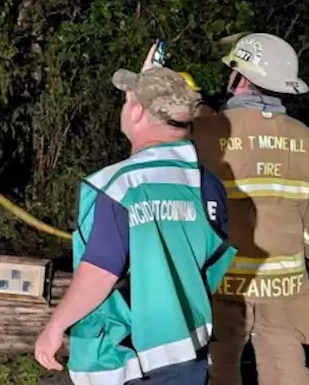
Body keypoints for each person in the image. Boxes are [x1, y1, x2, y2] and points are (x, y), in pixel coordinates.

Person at [35, 48, 234, 384]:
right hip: (188, 345)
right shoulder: (206, 184)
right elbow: (213, 258)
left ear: (139, 113)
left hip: (126, 351)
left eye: (128, 101)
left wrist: (55, 326)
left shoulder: (117, 185)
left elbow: (100, 271)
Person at [190, 33, 309, 385]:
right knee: (286, 366)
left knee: (220, 366)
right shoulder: (306, 139)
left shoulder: (207, 132)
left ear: (240, 78)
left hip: (224, 279)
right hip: (285, 281)